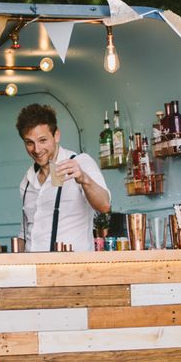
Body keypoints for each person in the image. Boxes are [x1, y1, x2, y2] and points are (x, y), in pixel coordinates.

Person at [16, 103, 111, 252]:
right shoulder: (26, 181)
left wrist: (83, 179)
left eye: (42, 140)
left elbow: (104, 205)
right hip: (33, 269)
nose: (37, 150)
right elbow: (26, 232)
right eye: (29, 143)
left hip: (72, 269)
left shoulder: (81, 162)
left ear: (56, 135)